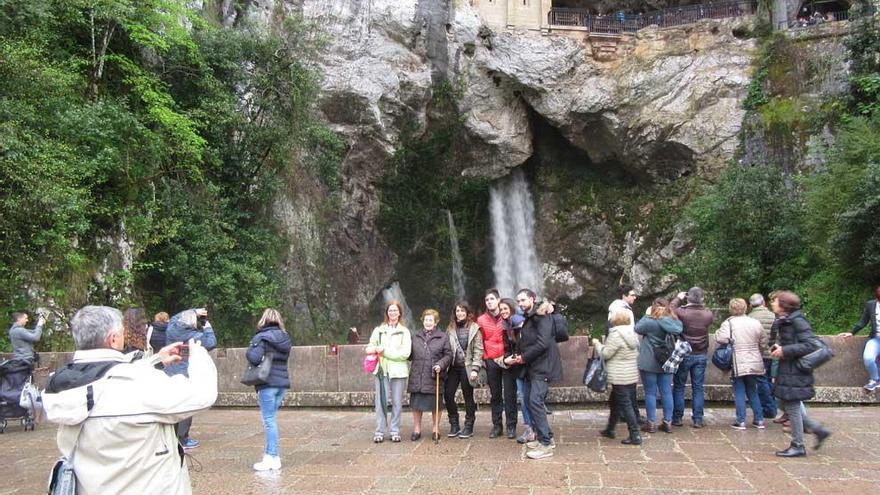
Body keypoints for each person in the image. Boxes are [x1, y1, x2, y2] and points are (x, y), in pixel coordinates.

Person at [41, 305, 217, 495]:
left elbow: (107, 378)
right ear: (114, 338)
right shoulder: (139, 385)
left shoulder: (62, 382)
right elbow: (201, 395)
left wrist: (157, 360)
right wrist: (199, 355)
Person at [771, 291, 831, 457]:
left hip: (796, 370)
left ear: (784, 305)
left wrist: (785, 350)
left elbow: (811, 344)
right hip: (789, 367)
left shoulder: (797, 320)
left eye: (775, 301)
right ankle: (818, 430)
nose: (773, 303)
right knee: (782, 401)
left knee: (791, 405)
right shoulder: (787, 320)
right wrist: (780, 348)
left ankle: (798, 445)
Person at [511, 289, 562, 460]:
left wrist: (523, 358)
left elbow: (542, 343)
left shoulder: (542, 316)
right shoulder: (530, 317)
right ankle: (546, 436)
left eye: (523, 300)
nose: (520, 303)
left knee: (535, 401)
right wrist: (518, 355)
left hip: (544, 366)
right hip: (533, 366)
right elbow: (528, 341)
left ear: (532, 299)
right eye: (518, 301)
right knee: (528, 400)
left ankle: (546, 444)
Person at [246, 308, 292, 471]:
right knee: (271, 419)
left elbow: (254, 358)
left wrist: (251, 347)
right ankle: (269, 455)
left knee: (269, 421)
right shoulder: (285, 338)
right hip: (282, 384)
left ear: (263, 320)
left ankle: (273, 457)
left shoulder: (261, 337)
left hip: (267, 383)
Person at [165, 307, 217, 449]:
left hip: (170, 370)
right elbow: (211, 343)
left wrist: (194, 311)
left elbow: (175, 317)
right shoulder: (191, 335)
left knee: (173, 404)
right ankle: (183, 439)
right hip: (184, 371)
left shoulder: (171, 328)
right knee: (186, 405)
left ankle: (172, 437)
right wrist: (207, 326)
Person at [716, 298, 768, 430]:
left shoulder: (729, 323)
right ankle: (759, 419)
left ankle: (741, 420)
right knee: (752, 390)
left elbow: (720, 338)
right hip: (754, 359)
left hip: (738, 360)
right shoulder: (755, 322)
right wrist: (758, 351)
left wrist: (723, 336)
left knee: (739, 390)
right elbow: (763, 340)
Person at [593, 309, 642, 445]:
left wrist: (597, 344)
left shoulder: (616, 334)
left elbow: (606, 353)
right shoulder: (632, 333)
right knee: (615, 401)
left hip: (619, 375)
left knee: (626, 405)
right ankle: (610, 428)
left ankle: (635, 435)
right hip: (630, 373)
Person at [365, 301, 411, 443]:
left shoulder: (404, 331)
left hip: (399, 372)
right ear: (387, 313)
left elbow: (405, 353)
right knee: (381, 402)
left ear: (399, 313)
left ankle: (395, 430)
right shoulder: (379, 330)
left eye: (395, 311)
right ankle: (379, 431)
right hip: (382, 371)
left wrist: (385, 352)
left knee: (397, 402)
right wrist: (375, 350)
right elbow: (368, 348)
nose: (392, 313)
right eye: (390, 311)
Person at [635, 298, 683, 433]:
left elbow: (637, 328)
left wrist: (647, 314)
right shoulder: (673, 321)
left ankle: (651, 423)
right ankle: (667, 422)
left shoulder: (650, 321)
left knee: (650, 392)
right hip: (667, 360)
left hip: (649, 361)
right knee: (666, 392)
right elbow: (680, 328)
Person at [670, 287, 714, 428]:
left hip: (684, 353)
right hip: (700, 353)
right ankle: (698, 419)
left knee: (679, 386)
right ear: (702, 298)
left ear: (688, 297)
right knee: (698, 387)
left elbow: (670, 309)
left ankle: (677, 418)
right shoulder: (708, 314)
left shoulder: (682, 312)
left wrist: (678, 298)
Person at [408, 309, 451, 441]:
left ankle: (436, 429)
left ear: (436, 322)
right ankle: (416, 429)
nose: (428, 322)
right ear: (423, 321)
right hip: (417, 374)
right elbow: (408, 355)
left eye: (431, 320)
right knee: (416, 404)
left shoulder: (443, 337)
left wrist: (440, 364)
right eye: (426, 320)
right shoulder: (415, 336)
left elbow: (448, 355)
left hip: (434, 374)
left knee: (435, 404)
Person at [477, 289, 515, 438]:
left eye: (492, 299)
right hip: (491, 360)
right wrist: (482, 360)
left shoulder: (507, 316)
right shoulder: (481, 320)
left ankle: (511, 426)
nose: (489, 302)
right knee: (495, 395)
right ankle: (497, 426)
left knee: (510, 394)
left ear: (498, 300)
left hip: (507, 359)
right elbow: (480, 341)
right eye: (487, 300)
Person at [444, 301, 483, 439]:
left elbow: (479, 350)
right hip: (453, 367)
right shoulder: (450, 329)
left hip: (468, 367)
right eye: (457, 311)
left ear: (467, 313)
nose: (459, 313)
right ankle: (454, 423)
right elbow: (445, 348)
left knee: (468, 396)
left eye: (462, 311)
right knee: (448, 394)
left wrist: (475, 369)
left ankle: (469, 425)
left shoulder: (474, 328)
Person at [497, 298, 531, 443]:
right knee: (523, 398)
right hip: (516, 365)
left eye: (505, 308)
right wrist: (507, 358)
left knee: (527, 398)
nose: (503, 311)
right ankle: (531, 428)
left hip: (526, 365)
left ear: (511, 308)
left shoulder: (518, 321)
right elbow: (508, 347)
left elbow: (525, 343)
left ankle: (534, 429)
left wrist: (519, 356)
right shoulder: (507, 325)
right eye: (501, 309)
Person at [838, 284, 880, 391]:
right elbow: (863, 321)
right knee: (868, 358)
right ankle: (875, 380)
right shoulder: (871, 305)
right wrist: (852, 332)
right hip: (876, 339)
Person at [748, 294, 778, 419]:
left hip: (758, 354)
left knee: (761, 381)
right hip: (774, 353)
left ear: (750, 305)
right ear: (764, 303)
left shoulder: (749, 318)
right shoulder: (774, 316)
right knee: (772, 380)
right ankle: (773, 405)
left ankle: (769, 409)